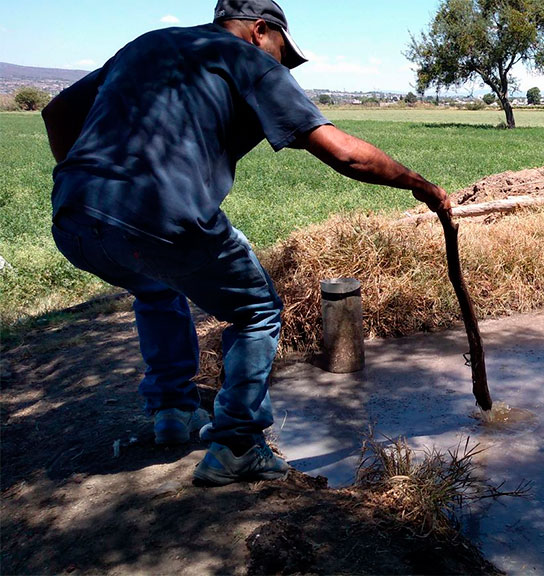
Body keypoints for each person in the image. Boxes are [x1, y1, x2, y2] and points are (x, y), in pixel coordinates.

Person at [42, 0, 450, 486]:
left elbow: (58, 111)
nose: (284, 66)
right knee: (257, 311)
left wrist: (95, 186)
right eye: (284, 53)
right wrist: (419, 184)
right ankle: (237, 444)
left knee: (156, 288)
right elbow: (345, 154)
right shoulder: (249, 60)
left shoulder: (149, 45)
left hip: (73, 218)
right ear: (261, 31)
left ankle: (172, 412)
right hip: (161, 216)